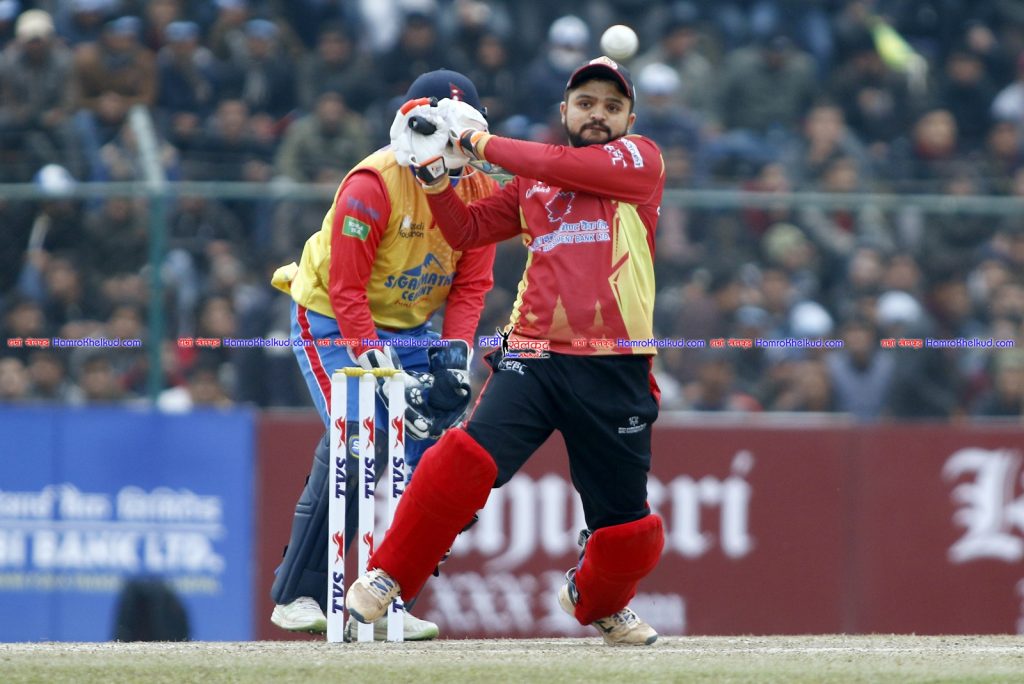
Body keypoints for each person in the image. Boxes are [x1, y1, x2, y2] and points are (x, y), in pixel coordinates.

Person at [347, 56, 667, 646]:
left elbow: (554, 162)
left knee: (629, 530)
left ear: (630, 119)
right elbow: (466, 231)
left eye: (612, 107)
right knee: (463, 461)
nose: (598, 115)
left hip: (616, 365)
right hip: (534, 357)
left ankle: (599, 602)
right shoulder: (531, 183)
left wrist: (475, 141)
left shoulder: (639, 160)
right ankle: (389, 574)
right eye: (586, 104)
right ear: (564, 111)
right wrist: (434, 181)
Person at [267, 69, 498, 641]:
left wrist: (455, 357)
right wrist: (374, 362)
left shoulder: (478, 190)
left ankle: (391, 600)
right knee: (357, 443)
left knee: (434, 461)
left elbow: (472, 285)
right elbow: (346, 289)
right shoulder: (373, 184)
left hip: (413, 327)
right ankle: (296, 594)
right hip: (331, 318)